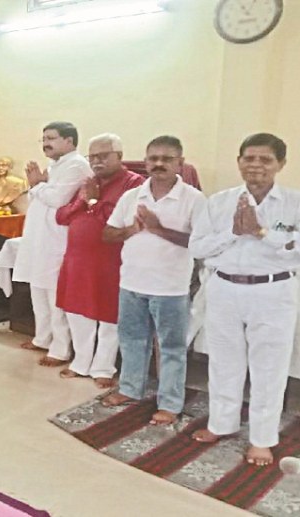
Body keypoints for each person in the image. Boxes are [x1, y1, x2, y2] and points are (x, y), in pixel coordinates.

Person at [189, 133, 300, 466]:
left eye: (265, 159)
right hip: (224, 288)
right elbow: (197, 247)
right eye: (249, 158)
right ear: (239, 162)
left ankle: (262, 439)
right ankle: (221, 424)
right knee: (224, 361)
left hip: (273, 292)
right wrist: (235, 232)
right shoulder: (220, 202)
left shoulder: (299, 204)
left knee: (269, 367)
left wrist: (263, 233)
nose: (256, 165)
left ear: (281, 164)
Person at [100, 136, 206, 425]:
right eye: (153, 159)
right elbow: (107, 234)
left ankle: (170, 403)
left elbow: (201, 245)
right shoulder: (131, 196)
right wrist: (131, 230)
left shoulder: (194, 200)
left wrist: (159, 229)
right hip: (132, 283)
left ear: (180, 164)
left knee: (171, 347)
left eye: (167, 159)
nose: (159, 164)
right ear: (145, 162)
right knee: (132, 340)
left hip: (170, 288)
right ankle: (130, 389)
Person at [55, 134, 145, 388]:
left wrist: (93, 202)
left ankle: (103, 367)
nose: (96, 162)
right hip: (77, 258)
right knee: (76, 311)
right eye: (92, 156)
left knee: (109, 315)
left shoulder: (134, 184)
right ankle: (81, 362)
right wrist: (84, 200)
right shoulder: (89, 183)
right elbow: (62, 216)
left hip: (110, 259)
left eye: (103, 156)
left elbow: (122, 221)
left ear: (119, 156)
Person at [12, 122, 92, 367]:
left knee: (55, 296)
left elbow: (57, 199)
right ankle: (42, 338)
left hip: (57, 240)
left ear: (69, 141)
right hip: (40, 239)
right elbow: (44, 194)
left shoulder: (77, 165)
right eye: (43, 138)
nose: (45, 143)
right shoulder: (56, 165)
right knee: (38, 291)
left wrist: (37, 184)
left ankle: (60, 350)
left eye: (51, 138)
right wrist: (40, 185)